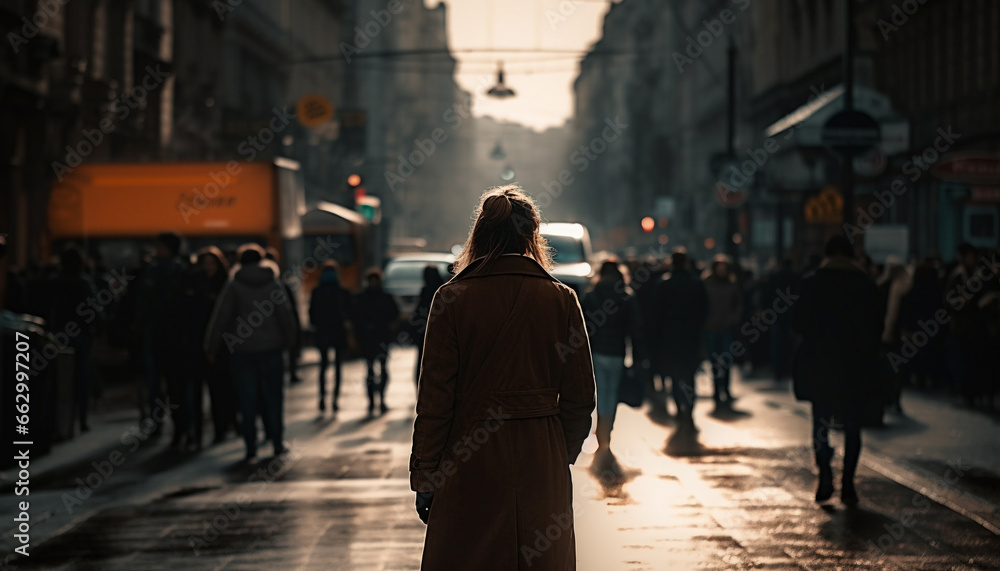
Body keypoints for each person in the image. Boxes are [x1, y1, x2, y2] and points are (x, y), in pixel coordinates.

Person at [409, 185, 596, 570]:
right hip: (540, 457)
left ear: (479, 234)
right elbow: (580, 397)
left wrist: (426, 474)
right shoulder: (561, 299)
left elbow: (434, 400)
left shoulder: (452, 299)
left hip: (470, 457)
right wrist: (560, 453)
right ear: (531, 236)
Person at [793, 235, 883, 505]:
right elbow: (876, 327)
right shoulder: (866, 285)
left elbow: (797, 324)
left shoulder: (811, 283)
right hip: (855, 365)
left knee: (820, 423)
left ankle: (824, 476)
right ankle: (848, 484)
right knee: (853, 425)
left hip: (819, 364)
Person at [204, 244, 297, 461]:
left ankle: (250, 446)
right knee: (274, 397)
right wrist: (290, 343)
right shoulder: (273, 284)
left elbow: (221, 318)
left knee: (247, 399)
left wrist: (211, 346)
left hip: (243, 351)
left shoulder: (233, 286)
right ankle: (276, 442)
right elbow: (286, 316)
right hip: (272, 350)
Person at [581, 260, 644, 475]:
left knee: (601, 394)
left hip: (597, 351)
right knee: (612, 394)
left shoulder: (591, 295)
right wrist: (637, 359)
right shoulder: (626, 297)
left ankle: (601, 435)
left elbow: (583, 328)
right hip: (617, 352)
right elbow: (635, 329)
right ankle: (607, 435)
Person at [135, 232, 187, 440]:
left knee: (155, 385)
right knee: (176, 384)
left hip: (156, 335)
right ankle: (180, 426)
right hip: (175, 337)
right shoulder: (181, 270)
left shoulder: (152, 272)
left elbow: (142, 305)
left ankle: (158, 425)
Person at [655, 249, 708, 428]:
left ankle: (679, 406)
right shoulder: (696, 284)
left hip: (670, 337)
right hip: (691, 336)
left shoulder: (664, 285)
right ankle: (689, 406)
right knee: (690, 373)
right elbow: (704, 311)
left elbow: (657, 314)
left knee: (675, 375)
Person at [48, 247, 98, 433]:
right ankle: (82, 420)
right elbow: (93, 309)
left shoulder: (56, 283)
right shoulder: (84, 283)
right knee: (82, 378)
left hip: (60, 333)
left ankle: (60, 422)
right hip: (82, 334)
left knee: (60, 378)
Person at [194, 247, 237, 444]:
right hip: (203, 342)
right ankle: (221, 426)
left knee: (227, 384)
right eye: (205, 264)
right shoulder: (198, 286)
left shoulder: (226, 285)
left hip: (225, 343)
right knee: (214, 386)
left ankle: (230, 421)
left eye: (211, 263)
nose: (208, 267)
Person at [354, 268, 400, 415]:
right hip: (376, 338)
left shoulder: (364, 298)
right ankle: (374, 400)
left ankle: (379, 399)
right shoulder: (383, 297)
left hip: (376, 338)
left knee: (380, 369)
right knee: (372, 370)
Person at [309, 262, 352, 413]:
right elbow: (351, 313)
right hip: (338, 332)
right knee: (338, 367)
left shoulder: (317, 291)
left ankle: (322, 397)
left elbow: (312, 315)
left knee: (323, 366)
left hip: (323, 332)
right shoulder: (342, 292)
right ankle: (335, 399)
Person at [702, 255, 743, 409]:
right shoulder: (707, 284)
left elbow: (738, 305)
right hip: (711, 327)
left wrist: (733, 319)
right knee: (714, 362)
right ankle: (716, 391)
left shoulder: (731, 285)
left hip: (726, 328)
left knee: (726, 360)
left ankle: (725, 388)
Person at [764, 256, 801, 381]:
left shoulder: (775, 278)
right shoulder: (795, 278)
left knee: (777, 343)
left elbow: (768, 296)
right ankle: (787, 369)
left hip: (776, 315)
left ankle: (778, 369)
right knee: (789, 343)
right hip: (791, 315)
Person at [412, 264, 446, 386]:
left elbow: (419, 313)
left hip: (424, 333)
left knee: (423, 362)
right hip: (440, 335)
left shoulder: (426, 291)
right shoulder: (443, 290)